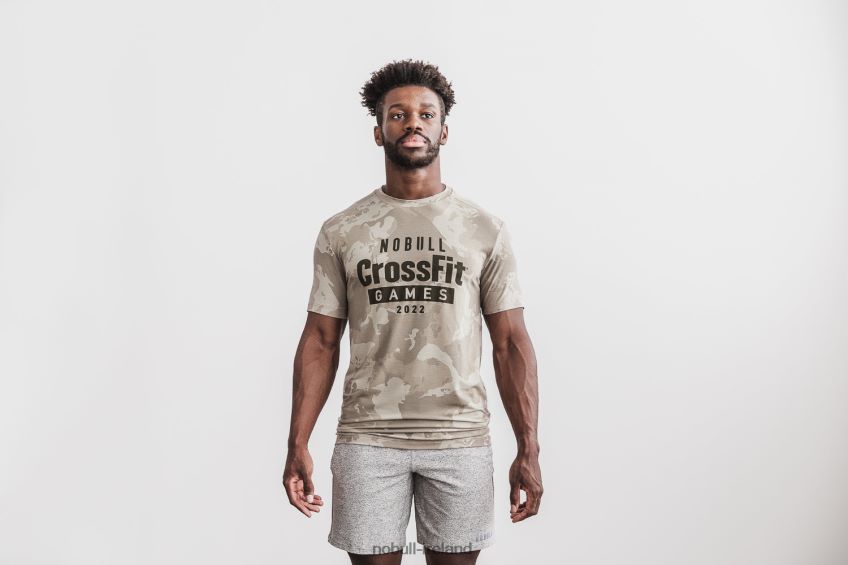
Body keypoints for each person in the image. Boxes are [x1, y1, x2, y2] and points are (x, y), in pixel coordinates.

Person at [283, 59, 542, 565]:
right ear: (378, 131)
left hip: (460, 439)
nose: (412, 123)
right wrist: (298, 441)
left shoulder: (483, 229)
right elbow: (320, 339)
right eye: (397, 114)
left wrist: (528, 446)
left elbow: (510, 341)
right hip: (367, 439)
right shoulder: (343, 230)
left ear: (444, 130)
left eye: (426, 114)